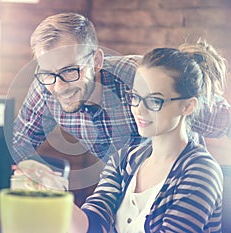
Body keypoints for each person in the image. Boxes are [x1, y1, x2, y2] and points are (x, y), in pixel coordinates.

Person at [12, 12, 230, 165]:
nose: (59, 86)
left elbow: (225, 120)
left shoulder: (139, 79)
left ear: (96, 61)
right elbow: (19, 143)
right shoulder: (46, 85)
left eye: (70, 71)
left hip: (179, 185)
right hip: (128, 189)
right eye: (48, 73)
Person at [69, 41, 226, 232]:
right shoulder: (123, 160)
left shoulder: (201, 172)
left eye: (154, 100)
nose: (139, 110)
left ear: (188, 106)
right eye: (135, 97)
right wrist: (49, 198)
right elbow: (94, 222)